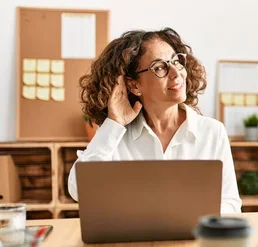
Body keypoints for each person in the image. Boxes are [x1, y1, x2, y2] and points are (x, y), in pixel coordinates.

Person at [67, 28, 241, 213]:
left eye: (176, 61)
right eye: (159, 67)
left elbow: (230, 205)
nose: (176, 73)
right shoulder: (116, 135)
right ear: (134, 85)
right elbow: (79, 190)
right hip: (134, 240)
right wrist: (114, 123)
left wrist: (186, 217)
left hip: (194, 239)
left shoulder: (212, 132)